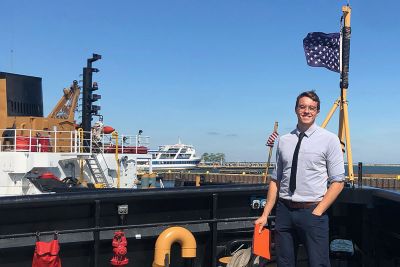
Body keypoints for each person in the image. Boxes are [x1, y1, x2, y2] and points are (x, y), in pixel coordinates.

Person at [255, 91, 345, 267]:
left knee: (318, 263)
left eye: (312, 108)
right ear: (296, 109)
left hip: (312, 211)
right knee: (284, 262)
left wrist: (318, 211)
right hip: (284, 212)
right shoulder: (284, 141)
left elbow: (338, 182)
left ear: (318, 112)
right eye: (302, 107)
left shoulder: (329, 140)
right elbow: (276, 180)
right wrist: (265, 214)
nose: (307, 111)